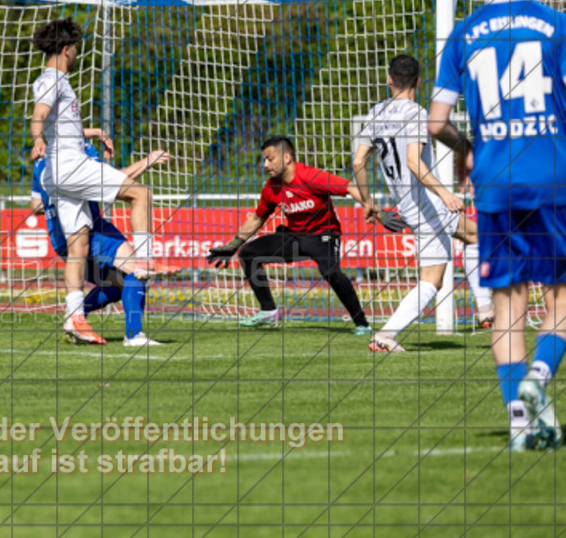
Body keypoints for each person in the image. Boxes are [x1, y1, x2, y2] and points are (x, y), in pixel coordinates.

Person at [429, 0, 566, 451]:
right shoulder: (557, 26)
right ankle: (538, 379)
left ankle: (520, 425)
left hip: (495, 183)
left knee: (506, 307)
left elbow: (436, 121)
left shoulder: (464, 33)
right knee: (559, 300)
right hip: (552, 181)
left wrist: (467, 152)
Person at [30, 18, 165, 333]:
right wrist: (37, 137)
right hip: (71, 166)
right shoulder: (54, 80)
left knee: (78, 246)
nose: (77, 53)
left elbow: (62, 127)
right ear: (66, 49)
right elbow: (39, 114)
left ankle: (75, 317)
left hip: (57, 173)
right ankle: (143, 260)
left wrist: (95, 131)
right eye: (75, 47)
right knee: (141, 194)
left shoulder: (51, 81)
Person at [353, 54, 494, 353]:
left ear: (389, 79)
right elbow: (414, 162)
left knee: (449, 262)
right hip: (427, 203)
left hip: (408, 205)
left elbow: (357, 161)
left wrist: (367, 202)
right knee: (451, 261)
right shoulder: (416, 113)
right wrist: (445, 194)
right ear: (418, 82)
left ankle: (482, 310)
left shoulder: (376, 111)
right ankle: (483, 308)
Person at [207, 135, 397, 334]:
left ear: (287, 158)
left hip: (324, 236)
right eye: (264, 159)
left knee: (330, 272)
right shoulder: (271, 187)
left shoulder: (311, 176)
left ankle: (361, 323)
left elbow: (350, 187)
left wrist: (376, 210)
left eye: (270, 159)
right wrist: (233, 245)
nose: (265, 164)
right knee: (248, 253)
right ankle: (268, 311)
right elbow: (257, 218)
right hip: (294, 237)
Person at [31, 138, 172, 346]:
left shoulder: (40, 162)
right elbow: (111, 184)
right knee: (139, 271)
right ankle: (133, 336)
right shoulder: (80, 149)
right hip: (91, 230)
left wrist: (59, 198)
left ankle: (77, 317)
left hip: (62, 238)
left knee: (119, 283)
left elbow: (36, 206)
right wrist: (147, 162)